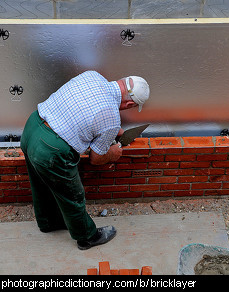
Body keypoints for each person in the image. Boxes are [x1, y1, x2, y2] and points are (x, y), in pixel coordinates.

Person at [20, 71, 150, 250]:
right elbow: (95, 159)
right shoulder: (111, 117)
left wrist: (112, 129)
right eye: (132, 106)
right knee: (73, 195)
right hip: (52, 149)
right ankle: (87, 237)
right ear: (129, 104)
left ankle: (48, 223)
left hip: (32, 128)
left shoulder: (93, 75)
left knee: (41, 184)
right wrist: (112, 153)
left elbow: (85, 109)